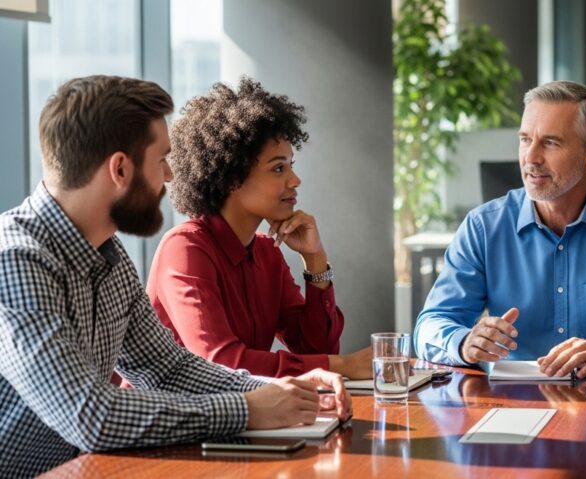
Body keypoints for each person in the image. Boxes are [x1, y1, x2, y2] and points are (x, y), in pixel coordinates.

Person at [0, 76, 350, 478]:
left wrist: (287, 393)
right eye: (162, 159)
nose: (170, 176)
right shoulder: (15, 261)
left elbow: (169, 368)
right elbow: (90, 416)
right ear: (120, 168)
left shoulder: (111, 259)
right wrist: (248, 408)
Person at [414, 80, 586, 377]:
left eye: (550, 143)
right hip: (510, 402)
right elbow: (430, 325)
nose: (531, 158)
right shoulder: (483, 226)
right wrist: (463, 343)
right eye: (525, 140)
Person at [147, 78, 371, 379]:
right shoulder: (185, 249)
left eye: (291, 165)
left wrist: (315, 259)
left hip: (240, 418)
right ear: (231, 177)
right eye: (279, 168)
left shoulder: (266, 252)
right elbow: (219, 362)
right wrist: (341, 367)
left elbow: (315, 348)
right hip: (171, 421)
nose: (295, 180)